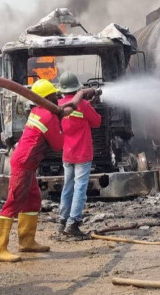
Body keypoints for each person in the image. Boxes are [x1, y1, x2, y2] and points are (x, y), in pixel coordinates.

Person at [0, 79, 66, 262]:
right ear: (47, 97)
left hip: (27, 163)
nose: (58, 97)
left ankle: (27, 241)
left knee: (33, 201)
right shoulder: (49, 116)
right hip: (24, 163)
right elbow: (58, 145)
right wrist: (62, 121)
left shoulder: (38, 110)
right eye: (55, 95)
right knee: (14, 202)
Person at [57, 72, 101, 237]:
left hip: (67, 154)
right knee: (80, 188)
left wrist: (88, 103)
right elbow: (97, 122)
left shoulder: (60, 105)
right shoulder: (82, 105)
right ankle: (73, 223)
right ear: (77, 88)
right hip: (82, 153)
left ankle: (62, 220)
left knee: (67, 187)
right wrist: (90, 105)